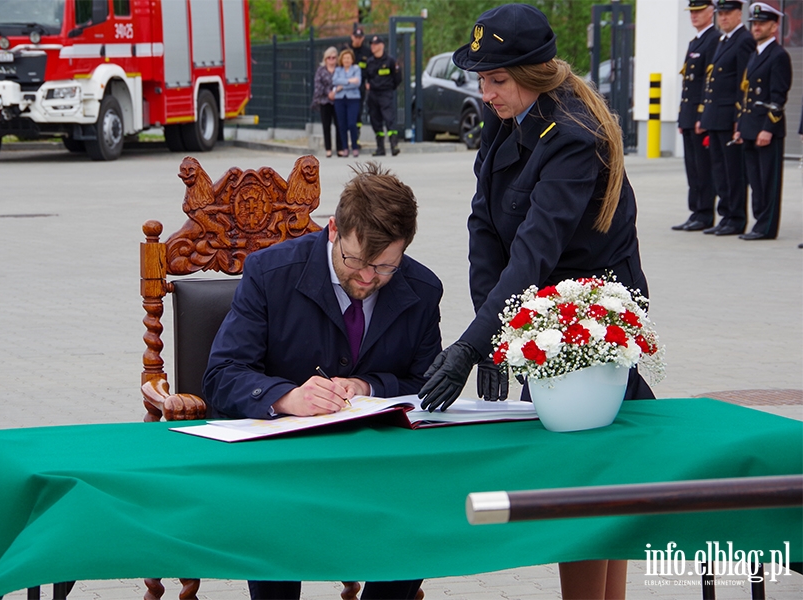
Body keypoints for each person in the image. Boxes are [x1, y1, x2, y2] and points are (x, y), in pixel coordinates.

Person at [417, 4, 653, 598]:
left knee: (583, 475)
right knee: (586, 476)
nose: (485, 91)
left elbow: (533, 255)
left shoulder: (573, 136)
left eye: (496, 79)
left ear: (532, 71)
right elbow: (484, 228)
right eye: (481, 79)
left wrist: (470, 347)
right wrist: (494, 341)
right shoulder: (512, 115)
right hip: (539, 311)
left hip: (586, 317)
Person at [203, 162, 442, 600]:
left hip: (377, 465)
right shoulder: (269, 273)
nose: (369, 278)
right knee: (274, 512)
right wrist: (288, 397)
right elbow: (221, 375)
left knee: (426, 500)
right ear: (334, 229)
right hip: (285, 465)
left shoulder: (423, 290)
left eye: (386, 266)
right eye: (356, 261)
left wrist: (369, 387)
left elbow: (428, 386)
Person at [732, 2, 793, 240]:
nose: (757, 28)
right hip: (749, 127)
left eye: (762, 23)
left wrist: (768, 128)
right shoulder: (754, 54)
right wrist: (740, 125)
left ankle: (766, 227)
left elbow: (778, 97)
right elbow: (745, 94)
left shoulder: (778, 55)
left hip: (767, 130)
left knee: (768, 182)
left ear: (774, 26)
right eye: (755, 24)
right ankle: (758, 223)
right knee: (755, 181)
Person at [698, 0, 756, 236]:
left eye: (728, 13)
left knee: (733, 171)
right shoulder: (723, 41)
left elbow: (744, 84)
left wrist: (738, 120)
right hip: (715, 116)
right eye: (720, 13)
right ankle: (725, 215)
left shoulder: (744, 41)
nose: (723, 18)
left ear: (738, 13)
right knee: (720, 170)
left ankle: (736, 217)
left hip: (729, 117)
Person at [673, 0, 720, 232]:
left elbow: (709, 83)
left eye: (699, 11)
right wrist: (684, 115)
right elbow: (689, 83)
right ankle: (695, 211)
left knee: (703, 167)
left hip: (701, 115)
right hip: (690, 114)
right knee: (692, 166)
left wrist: (702, 114)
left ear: (711, 12)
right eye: (691, 12)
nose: (694, 16)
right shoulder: (695, 41)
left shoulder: (714, 40)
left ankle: (705, 213)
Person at [364, 36, 402, 156]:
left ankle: (394, 145)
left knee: (389, 118)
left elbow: (398, 77)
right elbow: (367, 77)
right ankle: (380, 148)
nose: (373, 47)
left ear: (381, 45)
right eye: (372, 44)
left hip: (385, 93)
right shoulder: (369, 62)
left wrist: (390, 87)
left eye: (375, 44)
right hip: (373, 94)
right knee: (375, 120)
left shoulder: (390, 61)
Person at [333, 48, 362, 157]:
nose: (346, 60)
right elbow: (335, 81)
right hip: (340, 99)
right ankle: (345, 148)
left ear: (352, 59)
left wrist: (343, 84)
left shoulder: (356, 69)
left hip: (353, 99)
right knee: (342, 124)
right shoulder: (338, 70)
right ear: (341, 59)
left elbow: (357, 83)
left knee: (351, 123)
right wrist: (350, 80)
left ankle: (354, 146)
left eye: (348, 58)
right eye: (344, 58)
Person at [312, 47, 339, 158]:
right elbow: (318, 84)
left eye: (334, 57)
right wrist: (328, 93)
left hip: (338, 100)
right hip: (324, 100)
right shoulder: (321, 70)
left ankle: (340, 148)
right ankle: (328, 149)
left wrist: (335, 92)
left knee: (339, 125)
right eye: (329, 57)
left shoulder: (340, 69)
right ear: (325, 58)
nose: (331, 60)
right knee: (326, 125)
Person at [348, 23, 372, 132]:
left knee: (358, 110)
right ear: (352, 37)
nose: (357, 40)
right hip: (346, 85)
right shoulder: (346, 50)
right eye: (356, 37)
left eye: (360, 38)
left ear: (363, 38)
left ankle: (356, 136)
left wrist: (368, 82)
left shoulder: (367, 52)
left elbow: (370, 69)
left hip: (360, 86)